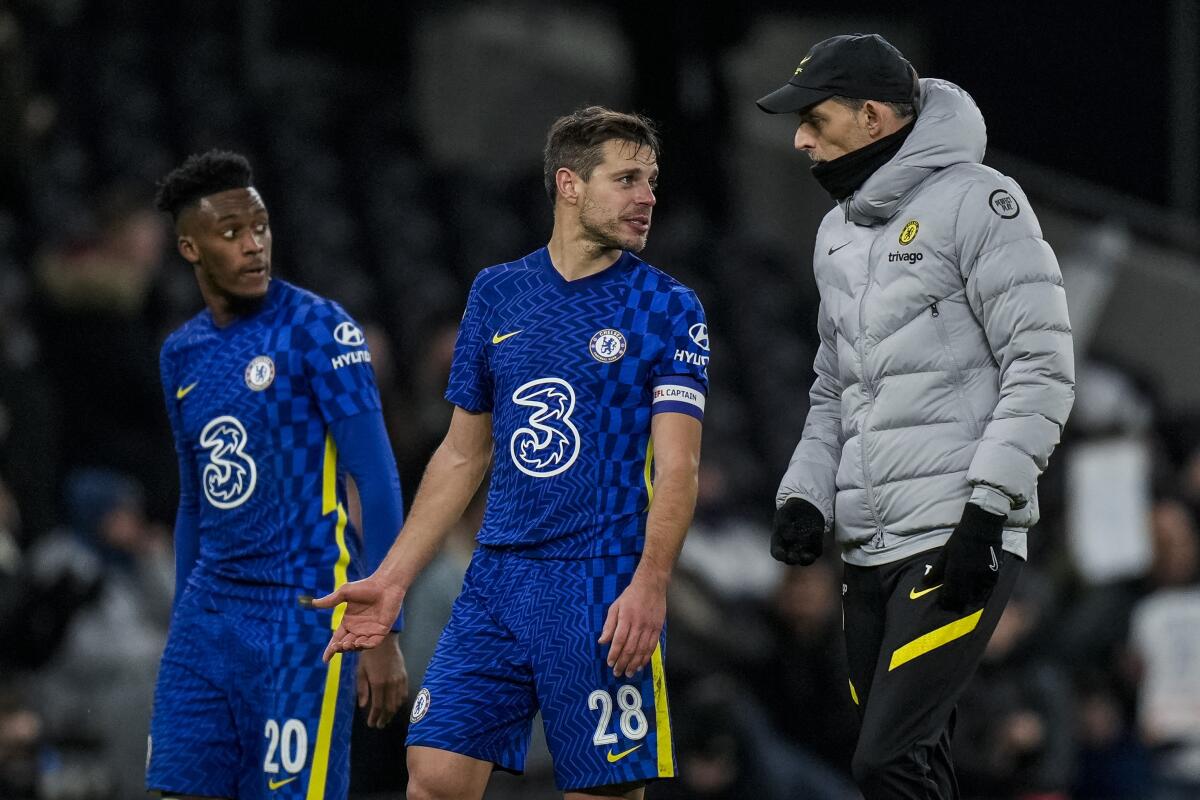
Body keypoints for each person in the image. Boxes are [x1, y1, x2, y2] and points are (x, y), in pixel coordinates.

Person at [310, 106, 709, 800]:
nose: (647, 197)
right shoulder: (497, 293)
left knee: (604, 793)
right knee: (432, 776)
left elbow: (680, 466)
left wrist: (650, 584)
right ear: (569, 185)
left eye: (651, 180)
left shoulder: (668, 308)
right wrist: (395, 576)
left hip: (601, 580)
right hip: (498, 577)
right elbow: (463, 456)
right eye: (627, 179)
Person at [756, 33, 1075, 799]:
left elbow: (1044, 367)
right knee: (909, 759)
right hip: (867, 546)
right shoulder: (834, 234)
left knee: (887, 760)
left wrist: (985, 511)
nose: (799, 136)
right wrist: (804, 493)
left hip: (955, 534)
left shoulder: (981, 200)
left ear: (871, 117)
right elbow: (833, 387)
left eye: (814, 117)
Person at [144, 150, 408, 800]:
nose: (253, 245)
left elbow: (375, 479)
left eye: (259, 227)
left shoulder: (318, 329)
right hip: (210, 613)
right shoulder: (181, 354)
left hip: (301, 611)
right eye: (230, 233)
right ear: (189, 247)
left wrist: (381, 629)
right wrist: (185, 622)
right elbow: (192, 505)